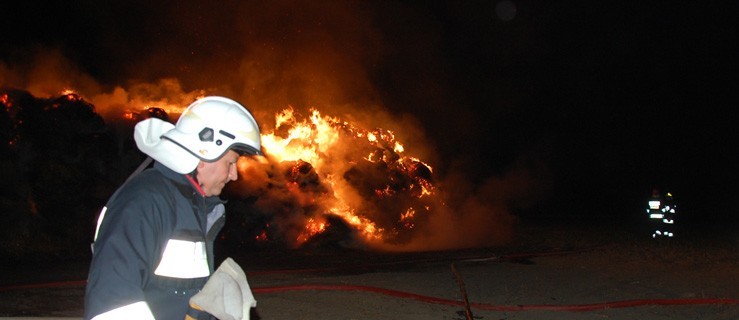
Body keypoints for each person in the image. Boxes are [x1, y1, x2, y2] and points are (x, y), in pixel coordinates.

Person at [84, 96, 262, 320]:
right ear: (204, 152)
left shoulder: (193, 205)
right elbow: (112, 304)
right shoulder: (144, 201)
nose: (234, 175)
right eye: (231, 162)